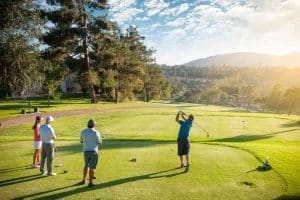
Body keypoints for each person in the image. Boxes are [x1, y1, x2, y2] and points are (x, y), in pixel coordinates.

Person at [79, 119, 102, 187]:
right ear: (94, 125)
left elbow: (81, 141)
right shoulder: (96, 132)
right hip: (93, 152)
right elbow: (99, 142)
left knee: (86, 165)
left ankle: (83, 180)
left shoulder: (83, 131)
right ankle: (90, 183)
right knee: (91, 168)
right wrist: (101, 139)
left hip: (86, 152)